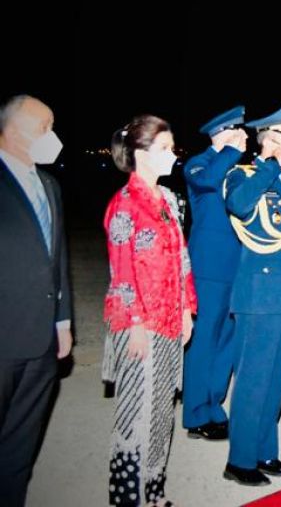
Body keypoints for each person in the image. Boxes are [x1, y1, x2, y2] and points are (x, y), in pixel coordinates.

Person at [102, 115, 197, 506]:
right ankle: (128, 498)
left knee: (160, 413)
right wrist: (135, 325)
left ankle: (154, 493)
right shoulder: (125, 205)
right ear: (140, 153)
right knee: (135, 415)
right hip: (140, 325)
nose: (172, 155)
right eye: (163, 148)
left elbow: (182, 259)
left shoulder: (169, 200)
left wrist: (188, 308)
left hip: (171, 321)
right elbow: (120, 271)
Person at [222, 104, 281, 486]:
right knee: (253, 380)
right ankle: (240, 460)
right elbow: (239, 206)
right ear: (270, 139)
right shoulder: (242, 175)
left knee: (275, 380)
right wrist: (270, 164)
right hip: (258, 295)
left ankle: (265, 452)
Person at [0, 95, 72, 506]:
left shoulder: (49, 185)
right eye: (44, 128)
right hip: (4, 334)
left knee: (20, 443)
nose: (53, 137)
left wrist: (63, 322)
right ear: (12, 131)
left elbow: (57, 257)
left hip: (42, 340)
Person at [181, 106, 247, 441]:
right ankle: (195, 414)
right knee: (204, 338)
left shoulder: (237, 168)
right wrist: (231, 149)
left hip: (238, 264)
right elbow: (207, 182)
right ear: (218, 133)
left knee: (228, 339)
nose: (241, 137)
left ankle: (214, 406)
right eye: (235, 132)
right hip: (208, 265)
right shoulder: (200, 163)